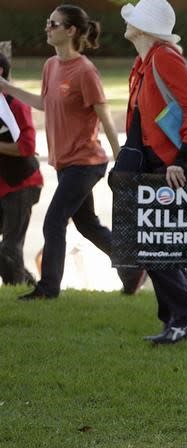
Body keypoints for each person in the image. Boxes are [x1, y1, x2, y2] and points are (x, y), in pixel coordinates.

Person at [0, 4, 144, 300]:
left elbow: (105, 118)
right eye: (48, 22)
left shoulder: (85, 71)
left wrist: (123, 162)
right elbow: (43, 103)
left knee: (54, 219)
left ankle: (48, 288)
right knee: (88, 224)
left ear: (71, 31)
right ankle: (132, 269)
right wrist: (5, 87)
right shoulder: (51, 66)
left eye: (53, 24)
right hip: (65, 163)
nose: (47, 28)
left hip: (86, 162)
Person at [116, 0, 187, 343]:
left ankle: (185, 319)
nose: (127, 24)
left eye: (134, 20)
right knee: (155, 246)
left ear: (143, 29)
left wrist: (180, 160)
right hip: (154, 163)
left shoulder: (165, 58)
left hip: (174, 166)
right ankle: (175, 319)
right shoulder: (142, 63)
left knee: (158, 248)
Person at [0, 53, 43, 286]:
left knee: (10, 245)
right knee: (6, 250)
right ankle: (29, 286)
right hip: (3, 186)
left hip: (22, 185)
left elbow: (27, 147)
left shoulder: (15, 105)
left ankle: (14, 293)